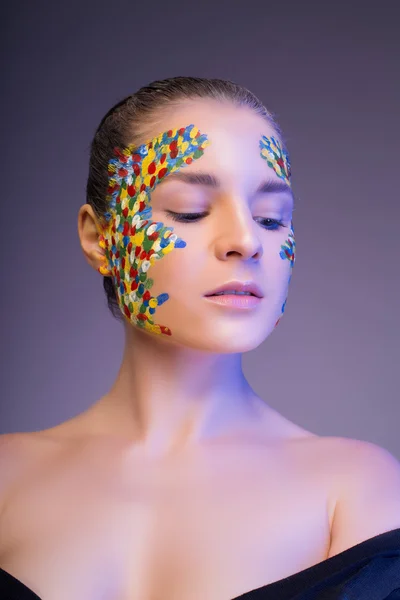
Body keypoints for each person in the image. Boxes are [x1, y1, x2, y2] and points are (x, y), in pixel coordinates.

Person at [0, 76, 399, 599]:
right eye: (189, 209)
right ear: (100, 239)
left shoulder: (357, 490)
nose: (245, 240)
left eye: (271, 218)